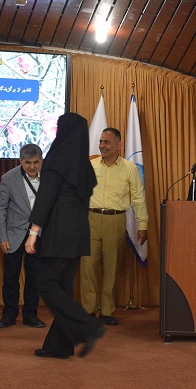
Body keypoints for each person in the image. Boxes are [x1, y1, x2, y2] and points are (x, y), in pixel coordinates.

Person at [25, 113, 105, 359]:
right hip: (78, 233)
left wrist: (33, 232)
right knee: (63, 288)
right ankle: (59, 346)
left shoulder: (57, 158)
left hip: (58, 232)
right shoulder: (84, 166)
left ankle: (87, 326)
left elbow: (45, 198)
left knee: (46, 283)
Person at [80, 127, 148, 326]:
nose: (102, 145)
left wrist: (143, 224)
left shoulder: (130, 169)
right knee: (87, 267)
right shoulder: (90, 166)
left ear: (118, 145)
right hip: (90, 220)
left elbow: (138, 198)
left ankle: (107, 311)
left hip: (116, 220)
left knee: (112, 268)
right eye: (100, 142)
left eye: (106, 142)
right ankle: (88, 310)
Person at [0, 143, 46, 329]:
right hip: (14, 234)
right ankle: (9, 314)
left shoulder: (49, 177)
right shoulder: (9, 178)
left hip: (39, 234)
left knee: (35, 277)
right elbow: (0, 209)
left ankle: (31, 314)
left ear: (41, 160)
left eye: (36, 162)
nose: (32, 167)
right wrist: (2, 236)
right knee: (11, 277)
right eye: (27, 163)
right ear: (20, 161)